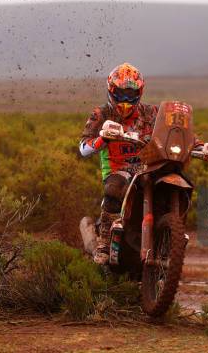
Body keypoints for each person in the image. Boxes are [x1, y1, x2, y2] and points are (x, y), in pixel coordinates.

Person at [79, 63, 157, 264]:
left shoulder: (151, 112)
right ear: (111, 91)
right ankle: (103, 244)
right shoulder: (101, 113)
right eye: (120, 94)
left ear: (139, 93)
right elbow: (83, 148)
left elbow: (169, 129)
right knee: (114, 189)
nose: (125, 100)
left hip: (148, 167)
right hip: (117, 168)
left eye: (130, 95)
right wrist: (102, 139)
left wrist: (194, 142)